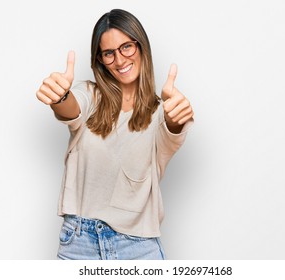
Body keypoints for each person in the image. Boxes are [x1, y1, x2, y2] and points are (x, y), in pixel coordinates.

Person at [36, 9, 194, 260]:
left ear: (141, 47)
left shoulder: (161, 113)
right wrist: (59, 96)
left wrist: (176, 116)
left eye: (126, 47)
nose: (120, 60)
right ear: (100, 59)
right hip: (79, 243)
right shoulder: (90, 94)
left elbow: (172, 129)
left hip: (137, 247)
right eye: (109, 53)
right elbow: (71, 107)